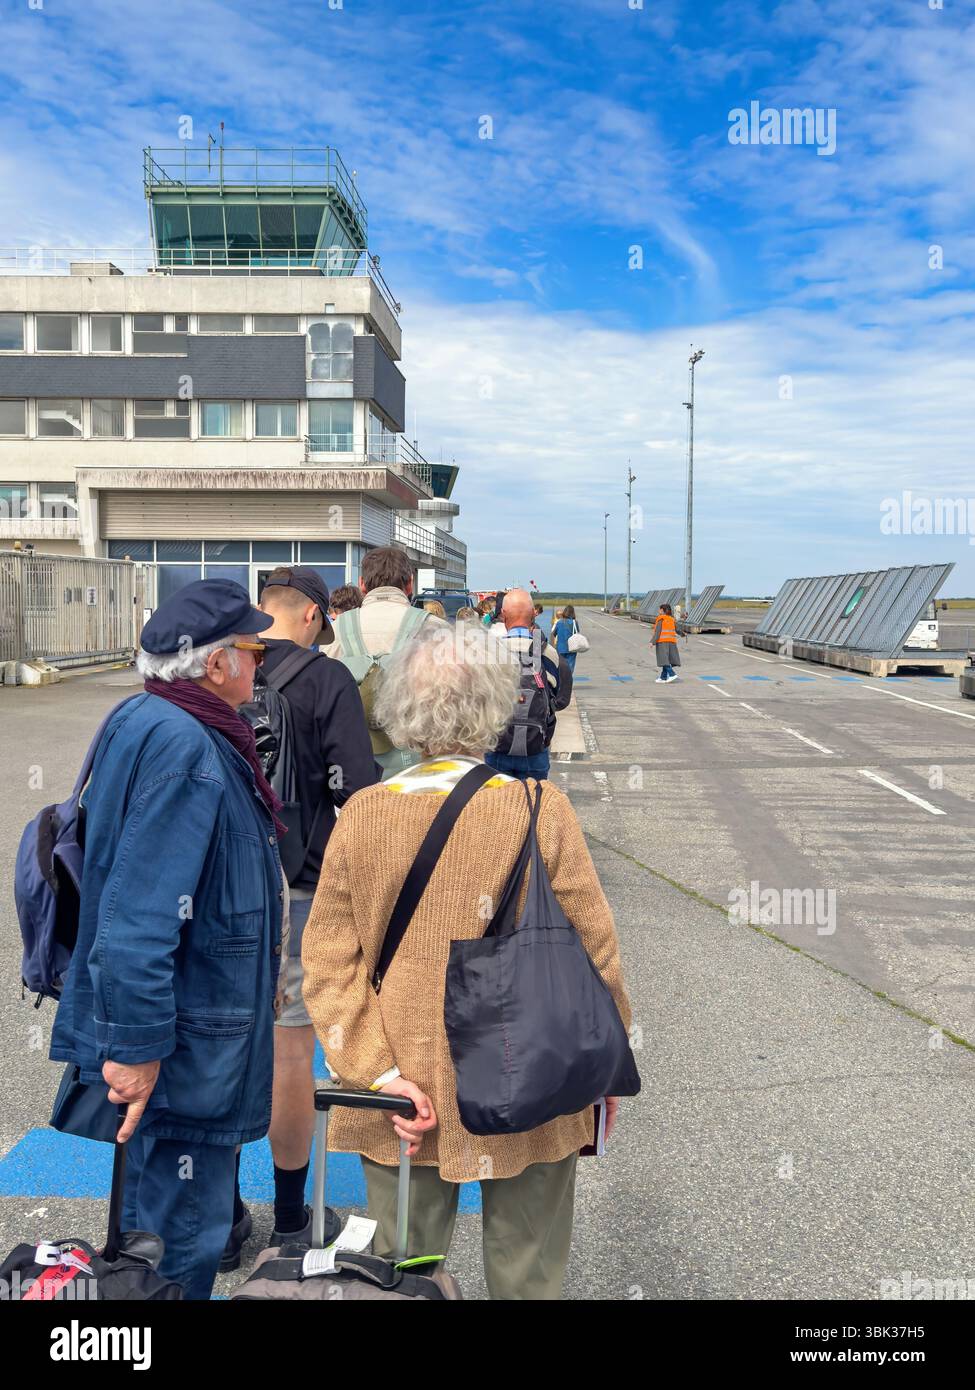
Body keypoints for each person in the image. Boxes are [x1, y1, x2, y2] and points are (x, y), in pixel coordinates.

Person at [301, 623, 633, 1301]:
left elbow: (328, 962)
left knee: (402, 1267)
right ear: (495, 707)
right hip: (530, 1069)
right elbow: (595, 952)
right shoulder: (541, 809)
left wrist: (377, 1072)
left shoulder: (361, 816)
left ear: (399, 708)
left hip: (403, 1084)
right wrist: (603, 1066)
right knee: (529, 1265)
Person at [48, 579, 282, 1300]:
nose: (260, 662)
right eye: (252, 649)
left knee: (156, 1237)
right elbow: (141, 915)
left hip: (184, 1035)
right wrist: (138, 1049)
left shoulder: (150, 716)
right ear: (215, 665)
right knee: (178, 1248)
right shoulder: (186, 747)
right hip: (185, 1047)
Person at [241, 566, 379, 1259]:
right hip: (296, 888)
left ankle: (220, 1211)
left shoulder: (218, 670)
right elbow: (357, 792)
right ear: (313, 617)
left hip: (216, 890)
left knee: (213, 1039)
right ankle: (291, 1216)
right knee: (291, 1049)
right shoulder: (328, 682)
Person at [326, 546, 445, 778]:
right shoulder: (434, 628)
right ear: (409, 583)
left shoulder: (337, 629)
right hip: (417, 767)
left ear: (362, 584)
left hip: (351, 768)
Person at [486, 588, 572, 782]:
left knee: (497, 808)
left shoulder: (489, 652)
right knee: (534, 806)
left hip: (496, 748)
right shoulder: (549, 654)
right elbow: (562, 700)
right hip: (535, 749)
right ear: (534, 614)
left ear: (503, 614)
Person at [652, 602, 681, 683]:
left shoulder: (661, 619)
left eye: (660, 609)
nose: (659, 611)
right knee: (666, 659)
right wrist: (683, 634)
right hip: (672, 642)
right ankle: (663, 677)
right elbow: (678, 630)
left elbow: (658, 632)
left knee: (664, 659)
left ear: (663, 610)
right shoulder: (672, 619)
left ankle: (672, 674)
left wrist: (652, 642)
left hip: (662, 642)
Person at [551, 603, 581, 675]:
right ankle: (568, 682)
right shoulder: (574, 622)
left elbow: (554, 634)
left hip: (560, 648)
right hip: (572, 648)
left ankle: (561, 682)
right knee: (570, 666)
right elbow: (577, 633)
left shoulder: (559, 622)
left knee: (560, 667)